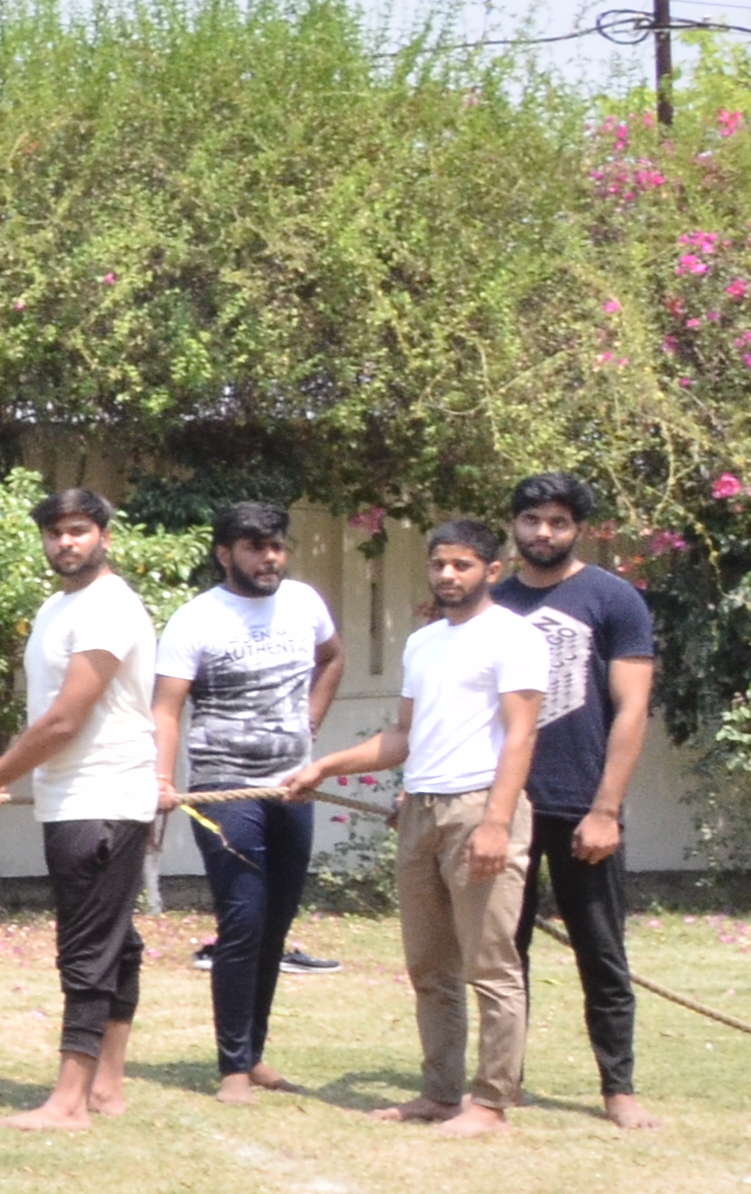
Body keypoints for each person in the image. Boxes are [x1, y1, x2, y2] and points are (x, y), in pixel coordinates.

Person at [277, 521, 549, 1136]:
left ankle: (492, 1102)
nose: (448, 575)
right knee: (430, 965)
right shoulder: (423, 643)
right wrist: (326, 765)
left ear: (491, 571)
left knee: (492, 965)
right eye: (439, 565)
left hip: (481, 807)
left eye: (462, 565)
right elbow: (403, 737)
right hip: (421, 809)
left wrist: (496, 824)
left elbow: (522, 736)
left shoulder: (515, 638)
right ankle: (439, 1093)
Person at [0, 488, 168, 1131]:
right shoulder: (57, 608)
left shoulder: (108, 608)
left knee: (87, 948)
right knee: (115, 945)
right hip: (73, 796)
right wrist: (2, 780)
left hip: (102, 798)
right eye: (56, 533)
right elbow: (53, 718)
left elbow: (65, 720)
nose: (67, 543)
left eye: (80, 530)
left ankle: (68, 1102)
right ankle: (106, 1088)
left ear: (105, 536)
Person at [151, 504, 342, 1106]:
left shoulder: (305, 603)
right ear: (224, 552)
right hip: (223, 787)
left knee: (276, 926)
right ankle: (233, 1066)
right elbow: (166, 708)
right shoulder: (195, 620)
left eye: (277, 547)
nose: (270, 558)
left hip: (293, 786)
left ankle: (254, 1054)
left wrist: (310, 721)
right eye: (256, 547)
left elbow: (333, 658)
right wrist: (160, 778)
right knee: (243, 921)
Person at [492, 472, 664, 1131]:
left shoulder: (613, 599)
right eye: (532, 520)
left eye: (558, 522)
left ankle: (618, 1089)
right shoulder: (492, 604)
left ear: (577, 528)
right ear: (514, 525)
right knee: (502, 953)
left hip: (581, 803)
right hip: (503, 805)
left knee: (601, 950)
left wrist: (605, 809)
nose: (543, 533)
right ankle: (502, 1081)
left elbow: (633, 708)